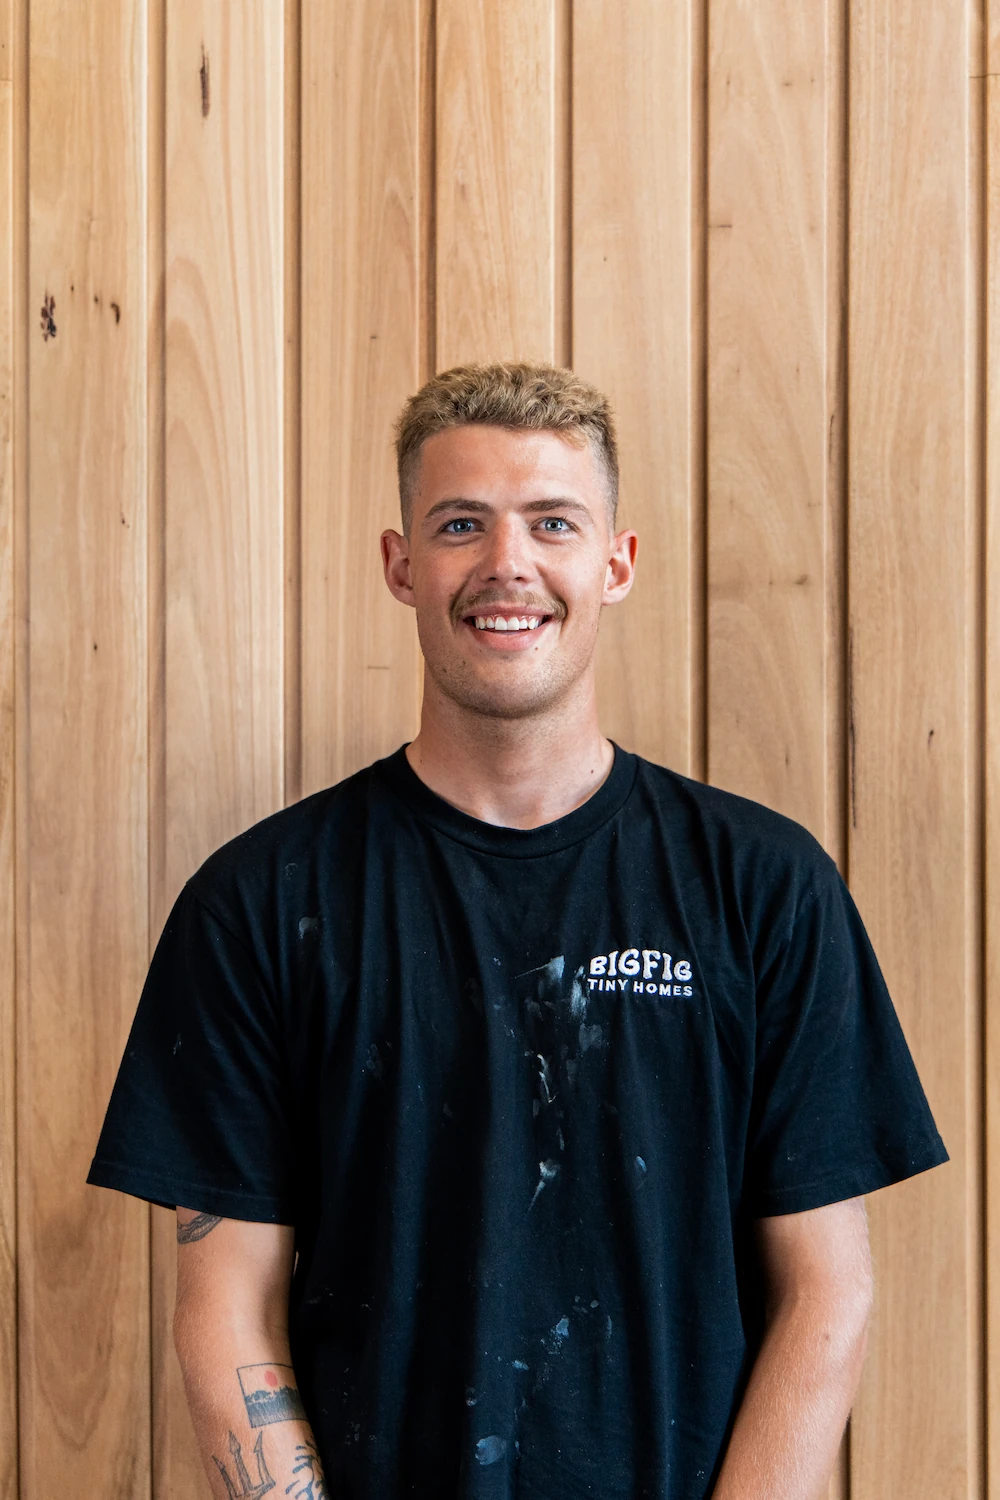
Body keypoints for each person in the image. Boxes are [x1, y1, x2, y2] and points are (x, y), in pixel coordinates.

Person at [88, 362, 948, 1500]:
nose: (507, 564)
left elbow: (826, 1293)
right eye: (460, 524)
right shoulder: (259, 900)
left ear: (614, 563)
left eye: (552, 522)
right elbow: (223, 1303)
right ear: (401, 566)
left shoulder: (763, 885)